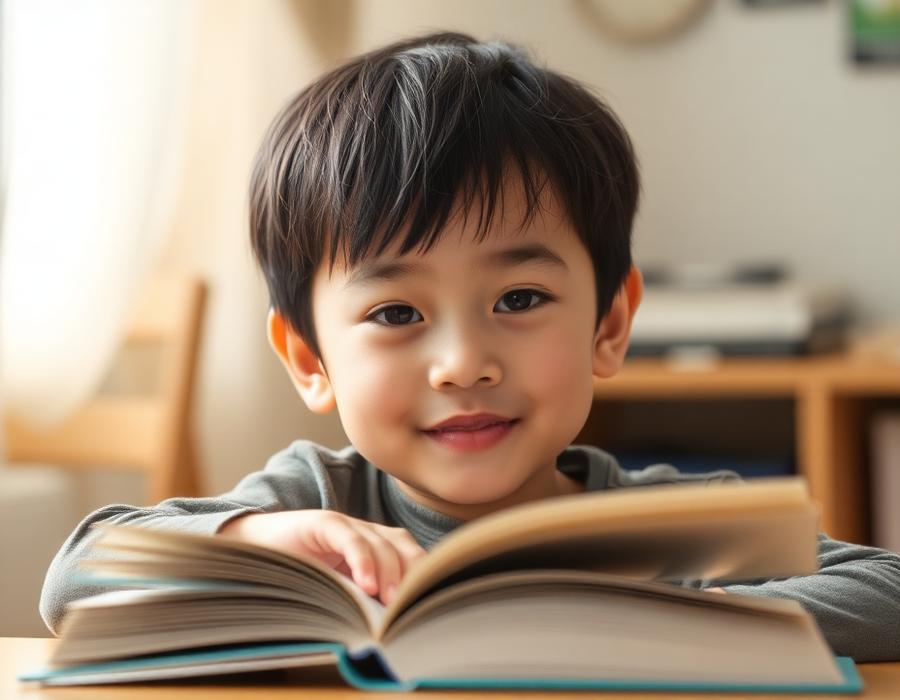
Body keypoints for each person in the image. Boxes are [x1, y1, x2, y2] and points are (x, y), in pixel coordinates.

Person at [40, 32, 900, 662]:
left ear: (608, 323)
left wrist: (655, 621)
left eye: (518, 299)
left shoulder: (676, 525)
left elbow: (886, 593)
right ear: (309, 358)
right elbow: (74, 575)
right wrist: (261, 537)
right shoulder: (316, 499)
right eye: (395, 314)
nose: (463, 363)